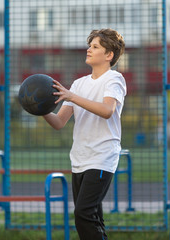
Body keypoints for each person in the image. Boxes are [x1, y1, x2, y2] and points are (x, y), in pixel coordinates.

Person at [42, 28, 126, 240]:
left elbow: (107, 110)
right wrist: (40, 109)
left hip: (102, 157)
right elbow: (59, 122)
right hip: (80, 158)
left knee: (83, 213)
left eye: (95, 46)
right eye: (90, 45)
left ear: (109, 55)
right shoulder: (78, 84)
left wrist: (72, 96)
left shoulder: (114, 79)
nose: (89, 49)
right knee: (91, 217)